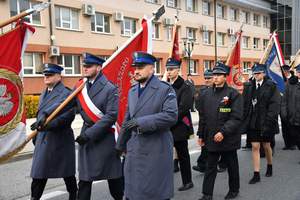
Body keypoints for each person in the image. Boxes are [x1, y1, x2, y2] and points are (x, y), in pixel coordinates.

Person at [116, 51, 178, 200]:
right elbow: (127, 119)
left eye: (141, 67)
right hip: (135, 148)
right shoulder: (132, 91)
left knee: (155, 193)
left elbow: (171, 116)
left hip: (156, 148)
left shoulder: (164, 89)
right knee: (134, 191)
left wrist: (141, 122)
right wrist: (120, 144)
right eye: (135, 67)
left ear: (152, 68)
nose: (136, 71)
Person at [75, 53, 124, 200]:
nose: (85, 69)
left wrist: (89, 134)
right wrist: (46, 115)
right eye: (84, 66)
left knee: (113, 179)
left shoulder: (110, 88)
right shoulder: (80, 86)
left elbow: (111, 116)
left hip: (103, 139)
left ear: (98, 67)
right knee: (84, 180)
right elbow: (67, 104)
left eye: (88, 66)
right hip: (87, 139)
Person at [30, 64, 77, 200]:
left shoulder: (66, 93)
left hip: (60, 140)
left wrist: (48, 125)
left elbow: (68, 117)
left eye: (50, 75)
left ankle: (74, 195)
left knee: (67, 174)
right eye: (45, 74)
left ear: (59, 76)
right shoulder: (45, 92)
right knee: (38, 174)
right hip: (43, 139)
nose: (46, 77)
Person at [198, 62, 243, 200]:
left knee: (232, 166)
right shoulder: (205, 94)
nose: (215, 77)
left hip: (228, 138)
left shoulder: (233, 94)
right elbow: (203, 117)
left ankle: (234, 190)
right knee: (210, 167)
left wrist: (223, 132)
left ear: (225, 77)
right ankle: (207, 194)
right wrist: (201, 135)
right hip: (211, 138)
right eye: (214, 74)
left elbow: (236, 117)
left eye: (219, 75)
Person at [242, 64, 280, 184]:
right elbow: (244, 104)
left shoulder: (271, 86)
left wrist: (269, 120)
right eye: (254, 73)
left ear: (264, 73)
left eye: (258, 73)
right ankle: (256, 173)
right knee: (255, 146)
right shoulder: (248, 86)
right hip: (253, 122)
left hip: (266, 121)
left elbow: (274, 105)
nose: (256, 75)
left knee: (266, 146)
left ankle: (269, 165)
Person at [166, 58, 194, 191]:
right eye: (167, 69)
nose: (169, 72)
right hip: (167, 125)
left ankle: (187, 181)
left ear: (178, 70)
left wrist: (168, 121)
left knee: (183, 154)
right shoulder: (165, 85)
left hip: (180, 125)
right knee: (164, 155)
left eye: (171, 69)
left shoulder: (185, 86)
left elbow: (184, 108)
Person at [193, 69, 227, 174]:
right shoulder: (202, 91)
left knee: (221, 145)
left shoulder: (223, 91)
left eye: (209, 78)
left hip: (219, 123)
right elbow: (198, 106)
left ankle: (222, 163)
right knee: (205, 146)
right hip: (206, 122)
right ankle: (203, 165)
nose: (207, 80)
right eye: (205, 78)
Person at [281, 64, 300, 162]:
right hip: (293, 116)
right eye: (298, 72)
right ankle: (290, 144)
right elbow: (284, 100)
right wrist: (284, 112)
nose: (298, 74)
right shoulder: (291, 83)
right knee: (295, 136)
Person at [281, 64, 296, 150]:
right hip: (282, 105)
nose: (284, 72)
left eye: (285, 71)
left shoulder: (294, 79)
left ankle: (293, 143)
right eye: (283, 71)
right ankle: (287, 144)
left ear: (288, 70)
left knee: (291, 126)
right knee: (284, 126)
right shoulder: (280, 79)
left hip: (291, 105)